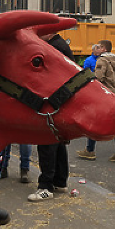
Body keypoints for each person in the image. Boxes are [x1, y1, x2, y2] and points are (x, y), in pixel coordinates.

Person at [27, 31, 75, 202]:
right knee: (58, 142)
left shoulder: (54, 48)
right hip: (60, 101)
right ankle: (60, 181)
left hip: (53, 101)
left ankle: (45, 186)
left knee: (46, 142)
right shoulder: (60, 45)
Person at [77, 40, 115, 162]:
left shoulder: (102, 60)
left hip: (104, 95)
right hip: (114, 93)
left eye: (98, 47)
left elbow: (98, 78)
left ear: (104, 49)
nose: (96, 49)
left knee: (94, 120)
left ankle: (89, 151)